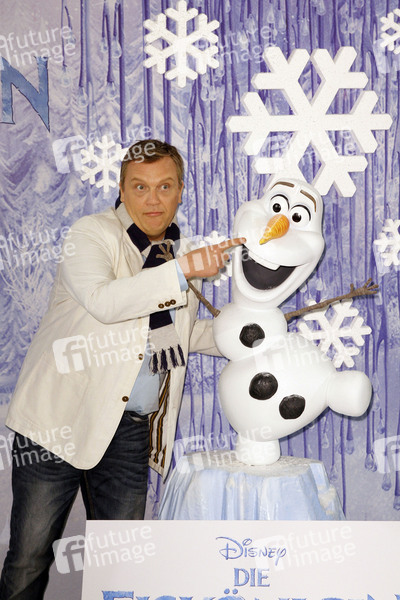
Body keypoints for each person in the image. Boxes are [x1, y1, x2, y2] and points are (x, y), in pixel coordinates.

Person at [0, 139, 245, 598]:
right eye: (140, 187)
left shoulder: (176, 252)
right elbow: (105, 302)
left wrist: (248, 336)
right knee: (29, 559)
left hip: (129, 430)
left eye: (164, 186)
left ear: (180, 190)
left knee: (119, 568)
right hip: (57, 423)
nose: (153, 199)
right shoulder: (90, 234)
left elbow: (177, 333)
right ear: (122, 189)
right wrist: (183, 269)